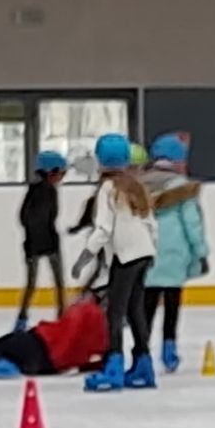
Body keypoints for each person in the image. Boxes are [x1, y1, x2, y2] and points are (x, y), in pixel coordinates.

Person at [73, 133, 158, 392]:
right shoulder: (135, 186)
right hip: (143, 253)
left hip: (126, 255)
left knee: (115, 312)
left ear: (100, 160)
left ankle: (114, 366)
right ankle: (144, 363)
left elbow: (103, 229)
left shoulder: (108, 189)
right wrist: (151, 250)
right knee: (135, 309)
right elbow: (151, 224)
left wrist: (84, 257)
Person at [137, 136, 208, 375]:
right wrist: (201, 252)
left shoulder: (139, 185)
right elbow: (192, 223)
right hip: (175, 254)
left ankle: (142, 350)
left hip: (145, 252)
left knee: (146, 305)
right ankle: (169, 348)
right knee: (171, 304)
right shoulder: (181, 187)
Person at [0, 288, 109, 379]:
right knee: (10, 353)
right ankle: (6, 363)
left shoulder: (85, 310)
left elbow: (67, 330)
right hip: (47, 367)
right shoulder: (105, 333)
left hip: (39, 343)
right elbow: (95, 361)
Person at [16, 149, 67, 328]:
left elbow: (23, 218)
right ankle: (63, 318)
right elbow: (36, 219)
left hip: (33, 244)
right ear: (50, 172)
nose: (62, 177)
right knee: (59, 283)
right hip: (46, 243)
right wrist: (43, 242)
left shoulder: (34, 190)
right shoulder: (47, 191)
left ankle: (22, 319)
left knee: (32, 284)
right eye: (61, 173)